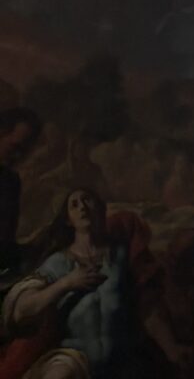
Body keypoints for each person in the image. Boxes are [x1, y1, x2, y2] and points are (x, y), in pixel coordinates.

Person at [0, 187, 137, 375]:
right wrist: (67, 283)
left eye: (87, 200)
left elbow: (147, 304)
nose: (82, 207)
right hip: (72, 359)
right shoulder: (60, 262)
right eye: (74, 205)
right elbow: (21, 309)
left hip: (116, 362)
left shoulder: (119, 255)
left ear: (99, 208)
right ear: (68, 220)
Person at [0, 117, 42, 274]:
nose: (18, 156)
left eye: (23, 151)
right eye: (14, 147)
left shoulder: (10, 179)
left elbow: (7, 232)